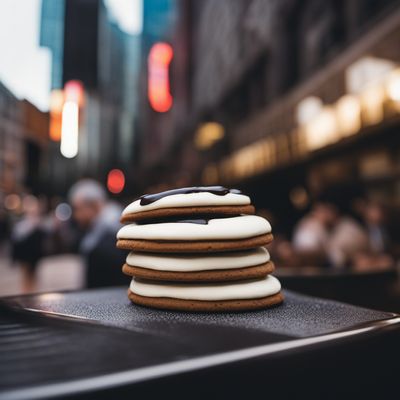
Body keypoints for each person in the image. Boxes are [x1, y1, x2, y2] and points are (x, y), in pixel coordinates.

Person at [68, 179, 129, 288]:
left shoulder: (110, 240)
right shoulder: (102, 231)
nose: (76, 216)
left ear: (94, 206)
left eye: (78, 209)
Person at [291, 196, 369, 268]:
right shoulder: (311, 225)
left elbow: (340, 258)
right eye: (318, 211)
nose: (320, 215)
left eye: (325, 210)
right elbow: (305, 250)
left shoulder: (348, 227)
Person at [11, 195, 46, 292]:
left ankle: (32, 293)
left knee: (34, 277)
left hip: (34, 256)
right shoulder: (22, 224)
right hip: (25, 257)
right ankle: (26, 293)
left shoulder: (38, 222)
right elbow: (17, 240)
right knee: (26, 277)